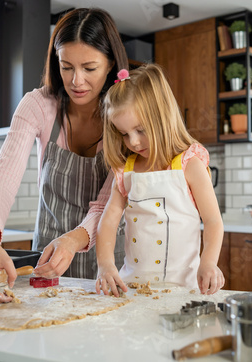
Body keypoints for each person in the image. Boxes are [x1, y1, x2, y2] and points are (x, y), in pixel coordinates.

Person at [0, 8, 127, 303]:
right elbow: (3, 176)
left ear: (110, 64)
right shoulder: (38, 105)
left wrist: (73, 240)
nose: (77, 81)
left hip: (110, 261)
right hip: (48, 261)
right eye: (67, 66)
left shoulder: (126, 115)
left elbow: (107, 203)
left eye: (89, 67)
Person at [95, 64, 225, 296]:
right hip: (133, 289)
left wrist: (208, 262)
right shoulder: (127, 170)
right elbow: (108, 221)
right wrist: (105, 264)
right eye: (124, 134)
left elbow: (213, 221)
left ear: (163, 117)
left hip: (184, 289)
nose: (133, 142)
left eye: (140, 130)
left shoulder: (189, 164)